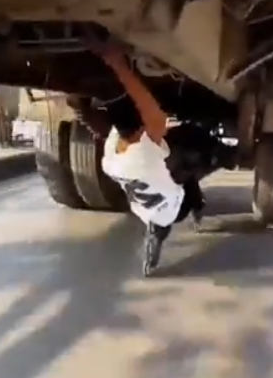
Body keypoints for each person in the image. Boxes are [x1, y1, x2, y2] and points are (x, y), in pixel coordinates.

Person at [92, 41, 237, 277]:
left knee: (172, 164)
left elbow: (113, 123)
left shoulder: (110, 158)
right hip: (175, 210)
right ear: (141, 130)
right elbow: (152, 113)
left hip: (146, 209)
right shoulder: (143, 153)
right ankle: (199, 204)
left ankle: (154, 246)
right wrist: (118, 64)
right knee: (188, 159)